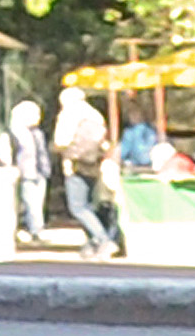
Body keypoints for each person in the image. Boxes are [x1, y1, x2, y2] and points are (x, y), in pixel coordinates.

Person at [55, 87, 122, 255]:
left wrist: (61, 152)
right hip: (93, 165)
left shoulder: (69, 114)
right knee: (90, 205)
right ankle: (92, 245)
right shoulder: (95, 115)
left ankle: (104, 240)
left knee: (78, 207)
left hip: (76, 164)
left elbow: (61, 141)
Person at [7, 99, 50, 246]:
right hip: (25, 172)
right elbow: (11, 152)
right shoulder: (15, 133)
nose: (38, 117)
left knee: (37, 203)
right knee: (31, 204)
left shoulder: (37, 133)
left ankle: (34, 229)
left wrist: (45, 169)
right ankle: (35, 231)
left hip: (39, 172)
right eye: (35, 114)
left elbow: (42, 152)